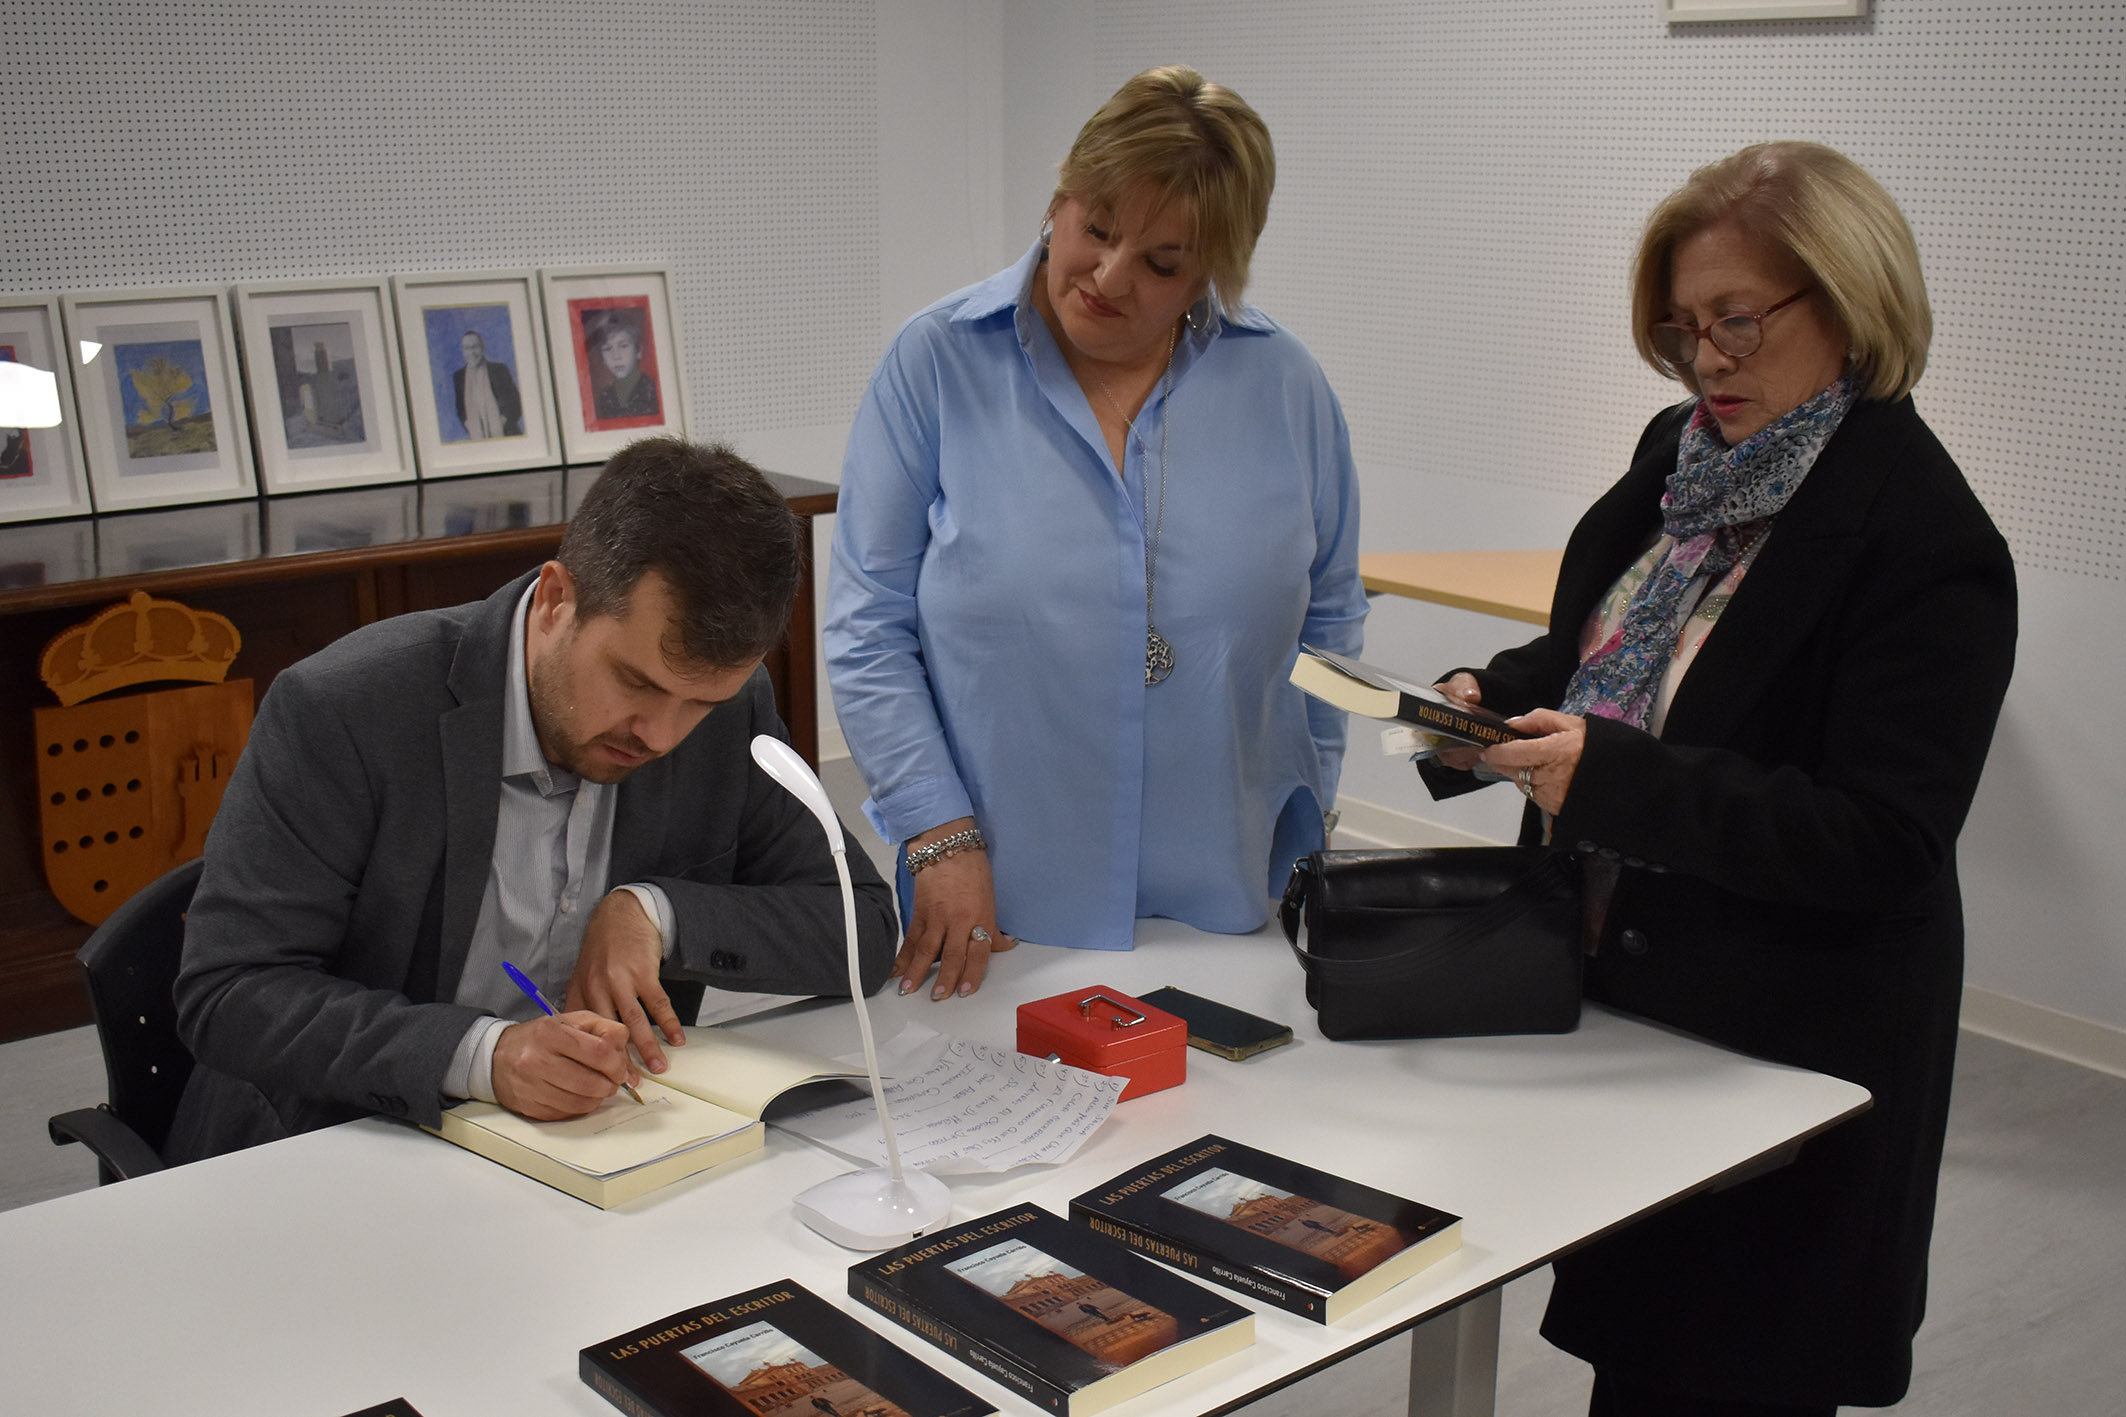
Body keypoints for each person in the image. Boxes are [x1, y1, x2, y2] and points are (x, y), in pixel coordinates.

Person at [1421, 144, 2016, 1414]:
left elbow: (1879, 839)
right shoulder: (1684, 456)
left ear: (1851, 303)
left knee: (1726, 1369)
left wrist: (1613, 783)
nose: (1708, 361)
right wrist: (1481, 695)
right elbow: (1611, 637)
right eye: (1683, 328)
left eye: (1738, 320)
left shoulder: (1923, 537)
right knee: (1645, 1358)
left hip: (1782, 1055)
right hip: (1639, 1011)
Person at [168, 437, 898, 1162]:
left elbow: (861, 927)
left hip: (589, 1151)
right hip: (344, 1144)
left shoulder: (727, 715)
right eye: (635, 682)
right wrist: (485, 1055)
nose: (660, 734)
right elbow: (230, 990)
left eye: (699, 703)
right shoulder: (345, 711)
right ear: (555, 599)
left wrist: (657, 912)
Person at [826, 66, 1365, 998]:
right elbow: (866, 627)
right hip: (994, 908)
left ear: (1212, 271)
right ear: (1058, 197)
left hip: (1233, 902)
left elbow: (1332, 613)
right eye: (1097, 229)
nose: (1109, 278)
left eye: (1161, 262)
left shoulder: (1287, 387)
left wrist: (1307, 795)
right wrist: (937, 832)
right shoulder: (937, 362)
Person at [453, 329, 523, 438]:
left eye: (475, 346)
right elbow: (460, 409)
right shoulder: (459, 376)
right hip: (477, 438)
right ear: (463, 351)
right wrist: (470, 426)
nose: (472, 352)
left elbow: (516, 403)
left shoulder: (499, 370)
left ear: (482, 347)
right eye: (467, 348)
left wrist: (501, 422)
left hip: (506, 434)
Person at [591, 317, 661, 421]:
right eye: (608, 349)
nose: (616, 356)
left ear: (638, 351)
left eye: (623, 346)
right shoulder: (604, 397)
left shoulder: (654, 392)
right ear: (602, 358)